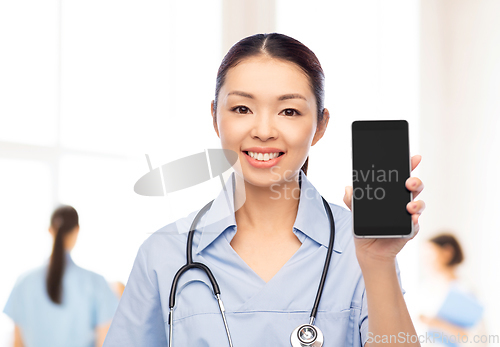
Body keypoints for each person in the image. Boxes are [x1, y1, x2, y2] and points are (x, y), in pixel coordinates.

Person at [103, 32, 426, 346]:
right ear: (215, 117)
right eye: (242, 109)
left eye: (289, 111)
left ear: (320, 126)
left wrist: (378, 263)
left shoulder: (361, 248)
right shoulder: (163, 254)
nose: (263, 131)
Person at [3, 205, 119, 347]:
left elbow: (17, 343)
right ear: (77, 230)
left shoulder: (24, 283)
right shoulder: (96, 283)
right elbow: (104, 342)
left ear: (50, 230)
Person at [418, 233, 485, 347]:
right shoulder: (425, 287)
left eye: (429, 255)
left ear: (447, 252)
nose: (425, 261)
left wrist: (437, 323)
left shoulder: (465, 291)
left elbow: (477, 339)